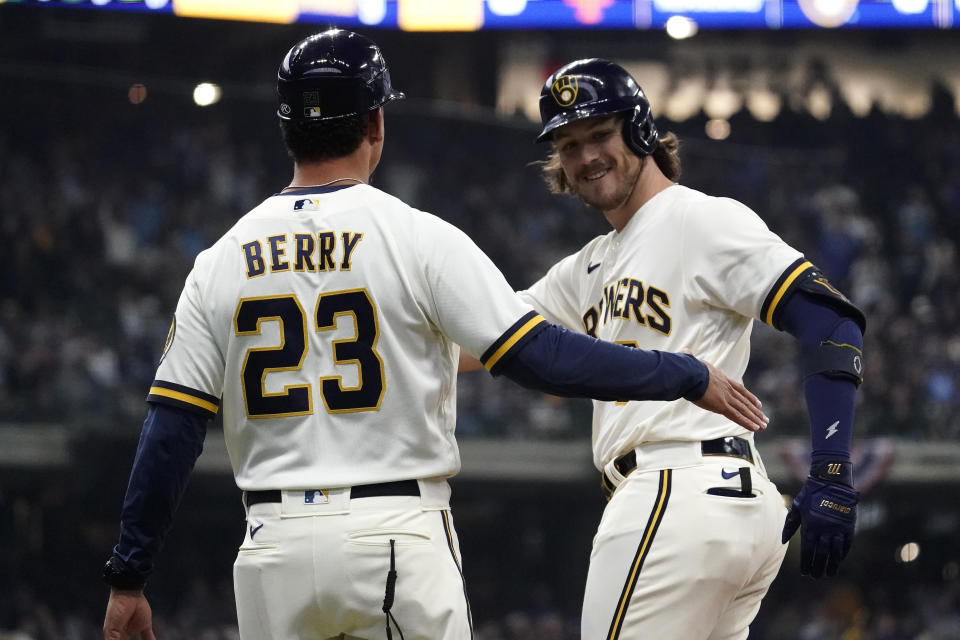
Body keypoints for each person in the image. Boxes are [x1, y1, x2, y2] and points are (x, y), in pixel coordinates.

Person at [100, 32, 768, 640]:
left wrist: (129, 574)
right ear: (375, 124)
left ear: (286, 130)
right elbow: (541, 358)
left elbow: (172, 429)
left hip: (270, 545)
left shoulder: (218, 261)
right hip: (392, 534)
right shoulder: (417, 237)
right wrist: (681, 372)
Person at [523, 59, 865, 639]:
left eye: (600, 134)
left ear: (640, 130)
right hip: (723, 506)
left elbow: (830, 319)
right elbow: (482, 340)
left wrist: (831, 467)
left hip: (672, 493)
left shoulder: (698, 218)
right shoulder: (586, 267)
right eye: (569, 143)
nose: (585, 157)